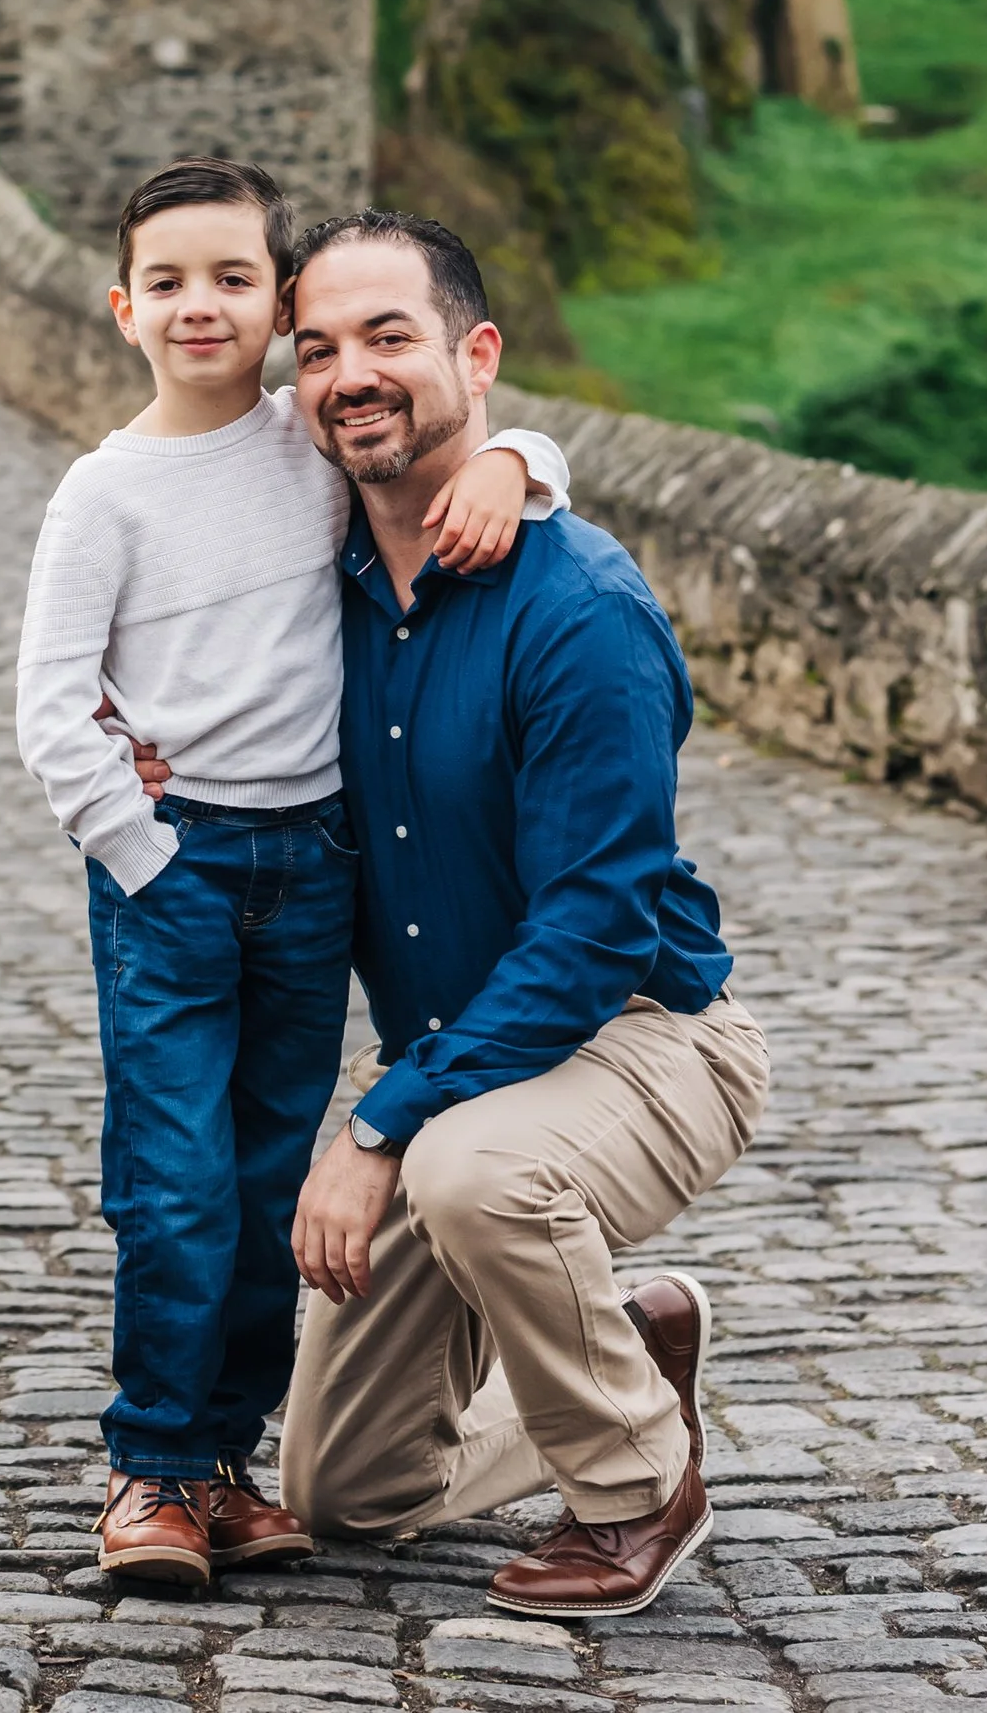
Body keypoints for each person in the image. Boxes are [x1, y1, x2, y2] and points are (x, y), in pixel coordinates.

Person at [129, 206, 770, 1622]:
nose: (352, 371)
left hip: (642, 1034)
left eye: (390, 337)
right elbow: (165, 539)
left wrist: (373, 1125)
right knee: (348, 1485)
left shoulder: (581, 607)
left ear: (478, 354)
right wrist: (135, 726)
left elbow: (598, 929)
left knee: (477, 1175)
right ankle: (631, 1347)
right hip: (462, 1065)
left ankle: (636, 1489)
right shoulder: (316, 596)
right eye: (321, 348)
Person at [15, 158, 573, 1595]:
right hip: (177, 867)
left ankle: (225, 1461)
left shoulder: (304, 442)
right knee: (176, 1180)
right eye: (170, 281)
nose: (201, 304)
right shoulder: (104, 493)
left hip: (312, 862)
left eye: (235, 278)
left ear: (277, 309)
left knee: (270, 1181)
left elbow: (477, 450)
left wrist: (518, 463)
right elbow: (49, 707)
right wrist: (147, 853)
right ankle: (150, 1461)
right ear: (121, 304)